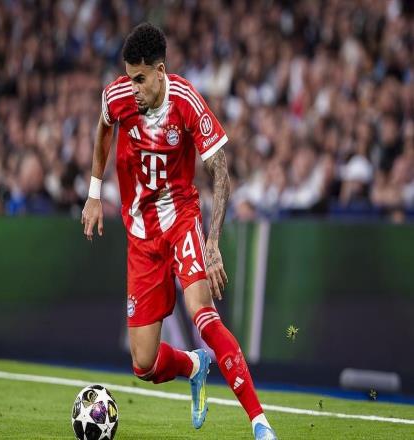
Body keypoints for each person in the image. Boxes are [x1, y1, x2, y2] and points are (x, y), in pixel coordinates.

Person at [81, 23, 277, 440]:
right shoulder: (117, 96)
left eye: (140, 79)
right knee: (144, 364)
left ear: (160, 70)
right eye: (128, 77)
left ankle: (260, 422)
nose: (133, 88)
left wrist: (213, 241)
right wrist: (94, 192)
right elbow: (104, 127)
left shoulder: (186, 101)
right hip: (140, 235)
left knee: (204, 315)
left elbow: (221, 172)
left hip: (181, 221)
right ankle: (193, 365)